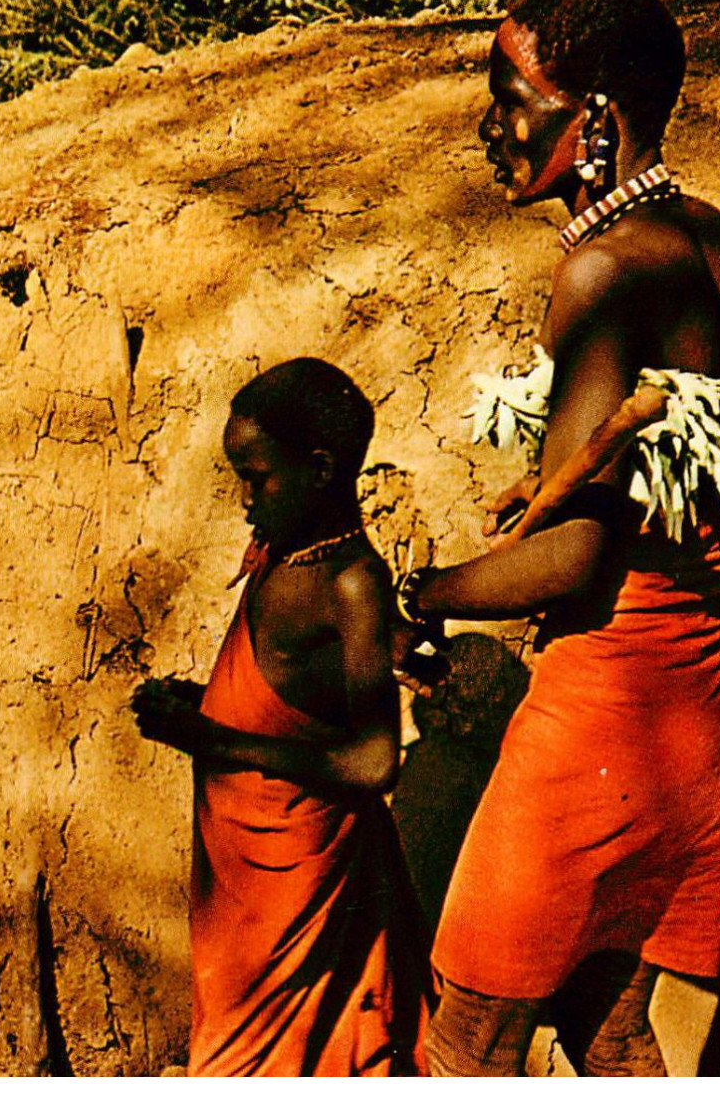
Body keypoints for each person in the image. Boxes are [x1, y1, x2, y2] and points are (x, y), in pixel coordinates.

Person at [400, 0, 720, 1076]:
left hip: (613, 704)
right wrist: (655, 458)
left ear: (597, 120)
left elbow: (574, 557)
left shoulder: (603, 269)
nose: (490, 128)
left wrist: (422, 594)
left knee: (464, 1043)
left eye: (510, 96)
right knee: (611, 1029)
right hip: (713, 695)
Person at [131, 357, 432, 1076]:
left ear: (321, 467)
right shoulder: (283, 556)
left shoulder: (351, 584)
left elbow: (373, 759)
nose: (243, 499)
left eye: (257, 476)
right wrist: (199, 703)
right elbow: (288, 697)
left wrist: (213, 737)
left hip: (299, 879)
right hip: (244, 883)